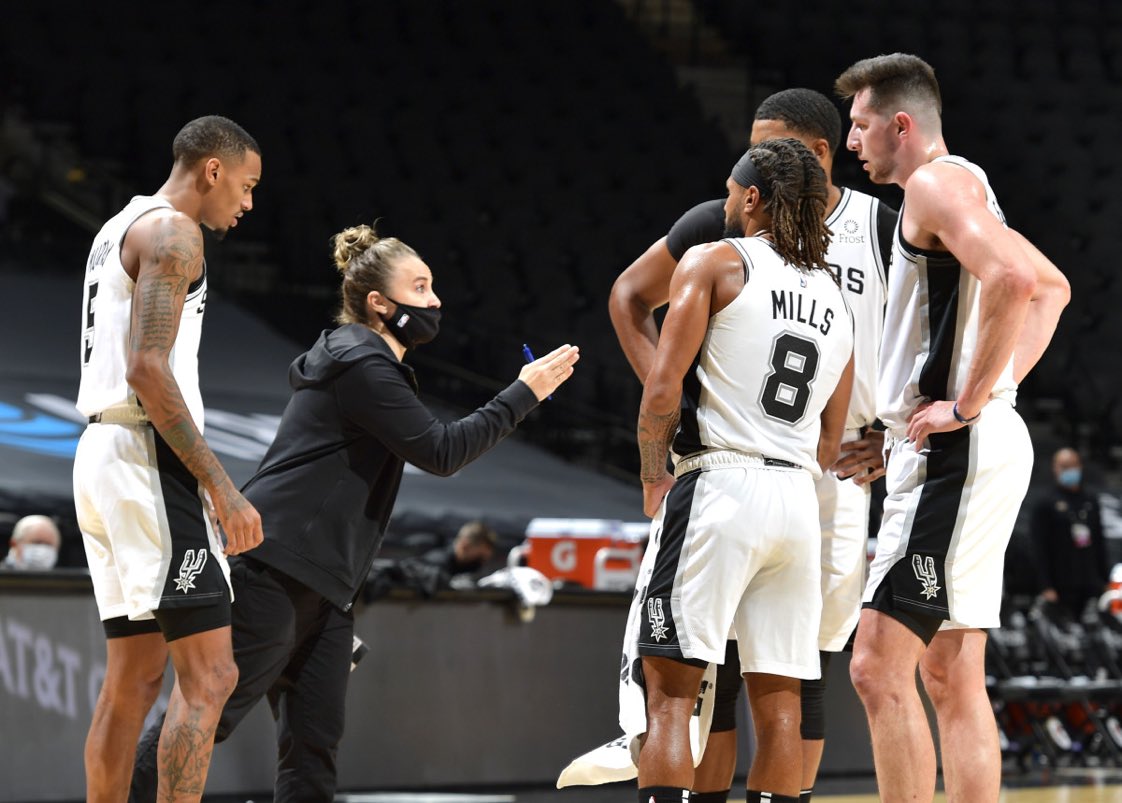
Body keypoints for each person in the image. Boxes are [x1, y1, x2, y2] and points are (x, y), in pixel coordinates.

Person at [131, 223, 580, 802]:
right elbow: (441, 451)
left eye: (433, 287)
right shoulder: (362, 363)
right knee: (201, 720)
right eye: (420, 288)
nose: (435, 301)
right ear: (378, 302)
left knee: (313, 747)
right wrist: (524, 392)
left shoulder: (366, 362)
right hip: (275, 568)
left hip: (326, 586)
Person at [609, 87, 896, 803]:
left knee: (673, 697)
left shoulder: (716, 261)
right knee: (783, 704)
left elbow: (661, 389)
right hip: (801, 499)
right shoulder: (833, 296)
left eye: (735, 194)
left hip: (719, 485)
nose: (728, 204)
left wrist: (653, 470)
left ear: (758, 201)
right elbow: (832, 437)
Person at [835, 53, 1071, 802]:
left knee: (876, 663)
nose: (851, 141)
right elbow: (1053, 290)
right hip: (964, 443)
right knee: (948, 670)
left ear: (901, 124)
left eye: (861, 124)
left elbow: (1018, 283)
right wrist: (970, 398)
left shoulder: (936, 184)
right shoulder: (961, 186)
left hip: (957, 451)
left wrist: (965, 405)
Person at [72, 115, 263, 803]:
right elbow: (149, 369)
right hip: (147, 456)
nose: (247, 203)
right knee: (211, 676)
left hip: (100, 453)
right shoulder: (175, 231)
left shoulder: (118, 225)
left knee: (132, 680)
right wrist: (220, 484)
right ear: (212, 170)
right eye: (245, 186)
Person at [1030, 447, 1109, 621]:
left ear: (1080, 466)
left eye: (1073, 465)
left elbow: (1099, 541)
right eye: (1064, 466)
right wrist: (1046, 585)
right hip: (1060, 583)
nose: (1069, 470)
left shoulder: (1090, 499)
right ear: (1055, 468)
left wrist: (1104, 579)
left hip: (1089, 580)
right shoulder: (1045, 503)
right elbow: (1039, 547)